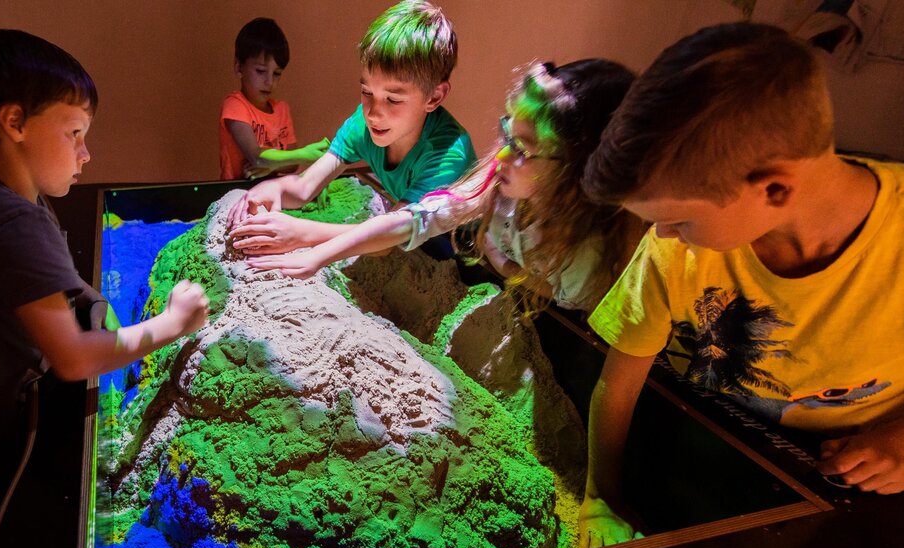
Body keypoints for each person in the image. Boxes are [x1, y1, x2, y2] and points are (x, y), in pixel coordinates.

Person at [577, 22, 904, 548]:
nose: (663, 235)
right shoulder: (675, 250)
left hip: (882, 486)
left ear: (774, 189)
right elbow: (618, 383)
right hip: (731, 454)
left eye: (679, 220)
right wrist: (601, 494)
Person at [0, 29, 209, 548]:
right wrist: (172, 323)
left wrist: (101, 309)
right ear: (15, 123)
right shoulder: (12, 225)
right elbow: (71, 359)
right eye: (74, 133)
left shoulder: (12, 200)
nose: (86, 153)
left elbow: (61, 283)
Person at [246, 59, 646, 315]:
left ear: (575, 171)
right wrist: (319, 254)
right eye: (507, 133)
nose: (501, 155)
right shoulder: (497, 181)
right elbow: (414, 219)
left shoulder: (586, 260)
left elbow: (565, 303)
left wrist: (505, 266)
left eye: (523, 149)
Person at [226, 0, 476, 255]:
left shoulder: (447, 155)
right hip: (414, 235)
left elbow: (388, 240)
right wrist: (273, 188)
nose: (373, 113)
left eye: (392, 99)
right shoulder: (363, 124)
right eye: (367, 92)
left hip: (467, 250)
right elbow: (304, 187)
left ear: (434, 97)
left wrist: (302, 233)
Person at [218, 17, 329, 180]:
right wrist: (302, 154)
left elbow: (292, 165)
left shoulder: (281, 110)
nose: (269, 82)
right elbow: (256, 157)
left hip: (274, 189)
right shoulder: (235, 105)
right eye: (261, 71)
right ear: (239, 68)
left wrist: (271, 167)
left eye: (276, 74)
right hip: (238, 190)